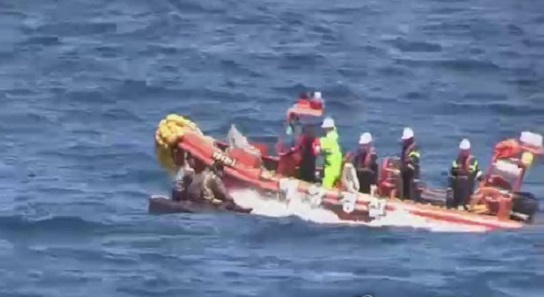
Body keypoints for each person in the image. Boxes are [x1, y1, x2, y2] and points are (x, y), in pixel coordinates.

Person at [448, 139, 483, 210]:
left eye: (465, 151)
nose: (463, 153)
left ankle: (464, 204)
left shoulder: (473, 161)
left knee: (465, 181)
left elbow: (475, 173)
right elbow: (453, 172)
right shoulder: (457, 161)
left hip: (467, 188)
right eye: (462, 151)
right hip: (457, 188)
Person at [313, 117, 343, 189]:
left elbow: (317, 149)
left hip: (331, 168)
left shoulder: (327, 140)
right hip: (337, 167)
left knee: (326, 186)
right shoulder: (336, 137)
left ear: (326, 129)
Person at [399, 127, 421, 201]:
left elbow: (414, 163)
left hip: (412, 175)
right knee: (405, 190)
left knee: (410, 192)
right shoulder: (405, 148)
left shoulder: (414, 149)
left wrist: (405, 166)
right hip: (405, 174)